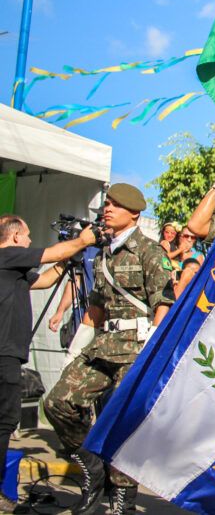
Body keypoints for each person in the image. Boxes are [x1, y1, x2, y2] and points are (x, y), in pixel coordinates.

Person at [43, 184, 174, 515]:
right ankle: (91, 466)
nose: (108, 208)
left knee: (120, 419)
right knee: (58, 402)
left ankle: (122, 499)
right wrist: (76, 348)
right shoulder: (102, 255)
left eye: (116, 204)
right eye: (108, 203)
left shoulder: (149, 251)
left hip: (137, 348)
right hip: (104, 344)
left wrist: (152, 349)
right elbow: (97, 308)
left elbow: (164, 302)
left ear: (134, 213)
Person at [0, 215, 97, 514]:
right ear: (15, 237)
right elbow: (50, 253)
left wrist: (71, 257)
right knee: (3, 423)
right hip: (4, 354)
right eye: (27, 235)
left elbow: (44, 279)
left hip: (8, 353)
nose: (30, 241)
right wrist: (83, 240)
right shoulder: (7, 254)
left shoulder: (12, 268)